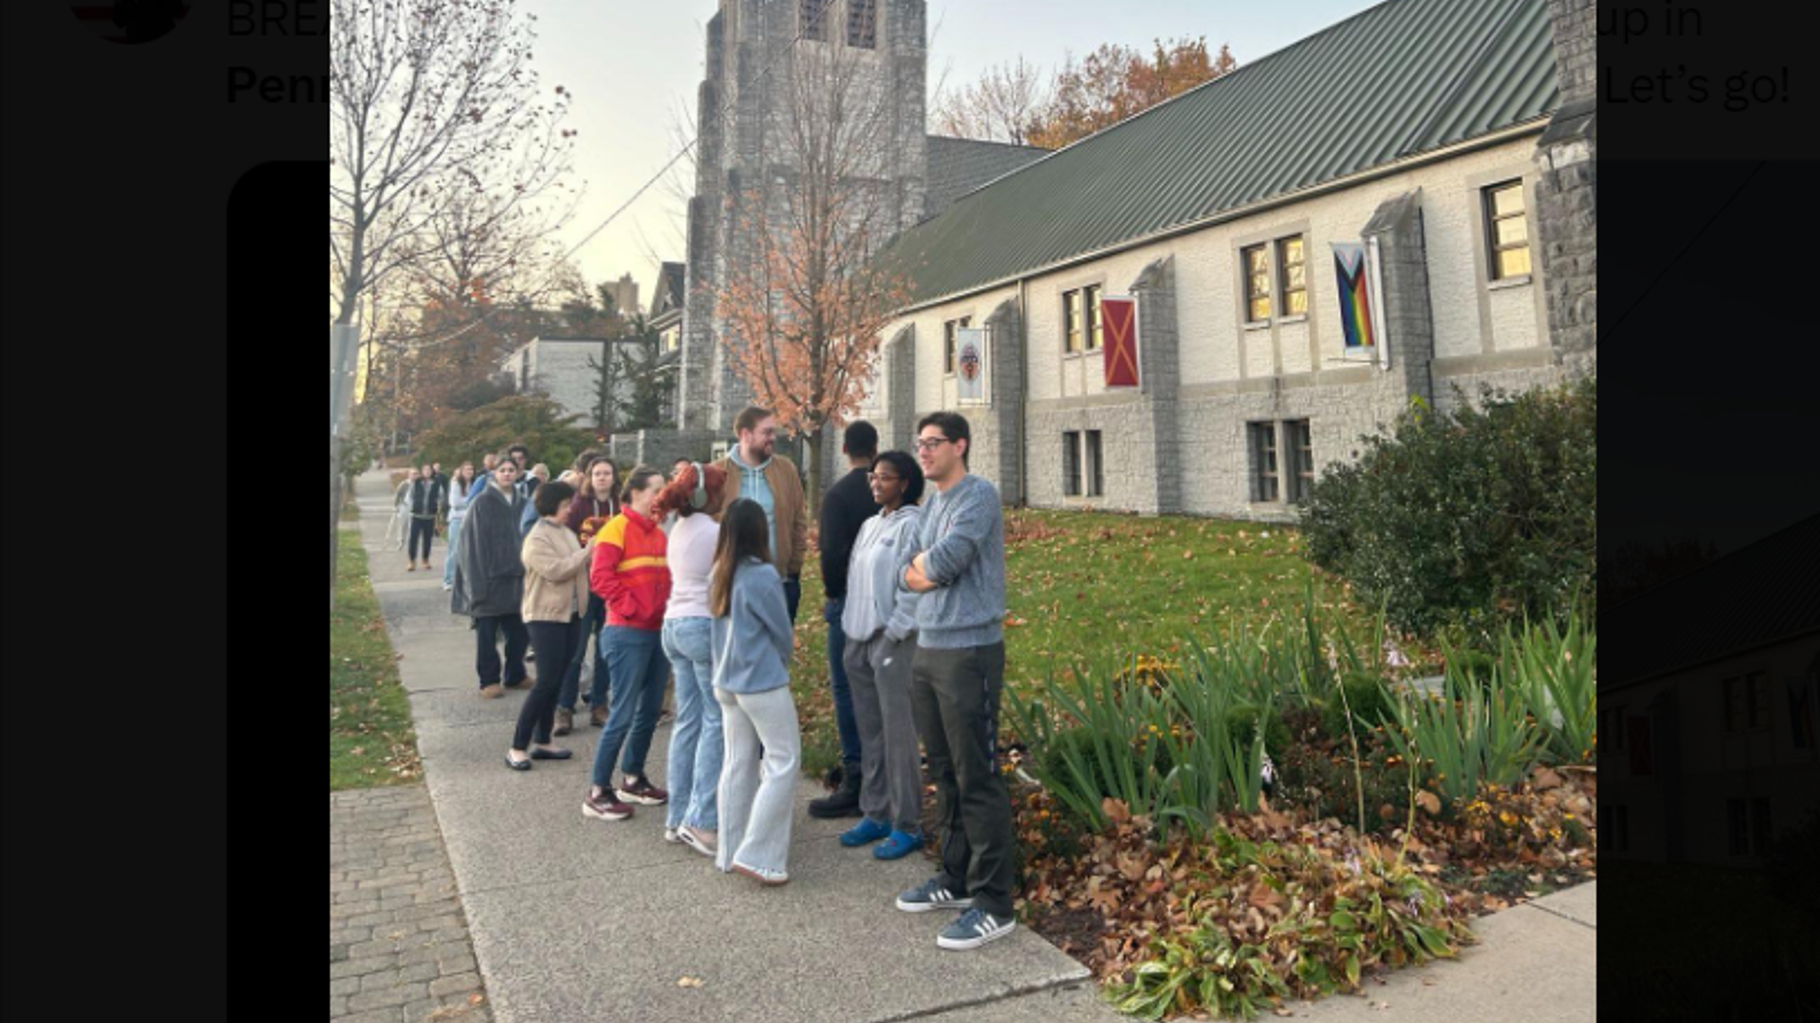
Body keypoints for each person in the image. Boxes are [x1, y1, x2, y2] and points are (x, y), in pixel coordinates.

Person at [894, 412, 1017, 951]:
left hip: (969, 651)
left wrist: (926, 570)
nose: (923, 452)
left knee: (976, 774)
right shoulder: (929, 505)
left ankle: (994, 902)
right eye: (919, 444)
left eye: (933, 443)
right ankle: (957, 877)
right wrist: (924, 569)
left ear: (959, 445)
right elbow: (907, 568)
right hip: (928, 647)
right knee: (943, 770)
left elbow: (943, 563)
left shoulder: (977, 497)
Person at [836, 451, 927, 860]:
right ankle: (876, 812)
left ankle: (908, 822)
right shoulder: (871, 525)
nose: (875, 483)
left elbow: (917, 583)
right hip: (858, 639)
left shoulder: (915, 525)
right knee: (871, 732)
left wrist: (895, 632)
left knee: (898, 733)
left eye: (885, 477)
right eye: (873, 476)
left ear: (904, 483)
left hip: (892, 641)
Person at [710, 499, 800, 886]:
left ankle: (729, 852)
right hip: (760, 680)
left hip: (726, 681)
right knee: (783, 761)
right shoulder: (761, 575)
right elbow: (782, 631)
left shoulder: (720, 571)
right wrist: (784, 660)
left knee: (737, 762)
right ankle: (759, 854)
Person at [582, 466, 673, 822]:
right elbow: (600, 578)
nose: (661, 497)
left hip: (655, 632)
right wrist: (634, 609)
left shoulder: (659, 533)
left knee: (650, 709)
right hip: (627, 632)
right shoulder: (614, 530)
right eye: (656, 490)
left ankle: (632, 778)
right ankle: (597, 791)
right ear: (635, 493)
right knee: (621, 712)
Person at [652, 462, 729, 856]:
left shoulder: (677, 528)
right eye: (720, 491)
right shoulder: (715, 532)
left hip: (674, 625)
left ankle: (677, 816)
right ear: (706, 496)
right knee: (715, 721)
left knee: (688, 722)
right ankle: (701, 821)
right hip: (701, 626)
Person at [808, 421, 882, 819]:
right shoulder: (889, 490)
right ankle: (879, 769)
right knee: (880, 687)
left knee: (847, 688)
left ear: (844, 450)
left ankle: (857, 774)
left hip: (849, 600)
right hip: (887, 600)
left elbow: (831, 554)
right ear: (874, 447)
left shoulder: (838, 495)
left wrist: (833, 593)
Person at [505, 481, 594, 771]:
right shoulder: (537, 537)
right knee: (545, 682)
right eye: (567, 504)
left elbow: (577, 567)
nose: (570, 509)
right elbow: (556, 571)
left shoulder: (566, 532)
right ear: (553, 504)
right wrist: (587, 552)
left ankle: (543, 741)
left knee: (557, 678)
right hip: (544, 616)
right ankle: (517, 746)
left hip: (570, 615)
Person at [709, 407, 808, 623]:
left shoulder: (786, 470)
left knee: (777, 653)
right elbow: (708, 524)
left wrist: (793, 568)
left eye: (773, 432)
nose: (773, 438)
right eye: (767, 432)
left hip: (779, 582)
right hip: (731, 584)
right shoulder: (718, 473)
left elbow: (799, 520)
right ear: (746, 434)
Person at [451, 453, 533, 698]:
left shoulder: (523, 502)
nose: (507, 473)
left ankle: (515, 675)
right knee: (487, 636)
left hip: (517, 580)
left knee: (519, 634)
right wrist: (475, 584)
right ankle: (488, 680)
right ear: (494, 474)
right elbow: (471, 546)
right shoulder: (482, 503)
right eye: (502, 470)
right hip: (488, 580)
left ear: (517, 473)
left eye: (511, 469)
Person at [556, 456, 620, 734]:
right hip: (584, 586)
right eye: (597, 473)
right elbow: (566, 542)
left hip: (612, 588)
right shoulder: (578, 507)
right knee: (576, 650)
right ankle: (564, 708)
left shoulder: (621, 507)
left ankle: (599, 705)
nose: (602, 478)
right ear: (589, 478)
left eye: (607, 473)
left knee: (606, 650)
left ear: (614, 478)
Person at [442, 462, 478, 591]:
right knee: (454, 550)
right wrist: (470, 501)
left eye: (472, 469)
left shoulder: (474, 484)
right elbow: (454, 503)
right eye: (467, 469)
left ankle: (465, 579)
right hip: (457, 520)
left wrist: (470, 502)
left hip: (470, 520)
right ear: (461, 471)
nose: (470, 471)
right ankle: (448, 579)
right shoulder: (456, 483)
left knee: (469, 551)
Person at [406, 464, 446, 572]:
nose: (427, 472)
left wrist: (438, 505)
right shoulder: (416, 482)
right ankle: (412, 561)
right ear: (422, 472)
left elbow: (441, 497)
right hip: (416, 515)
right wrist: (412, 507)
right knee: (413, 539)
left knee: (427, 539)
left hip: (430, 516)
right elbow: (409, 497)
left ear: (432, 472)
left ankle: (425, 559)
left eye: (429, 470)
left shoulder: (437, 484)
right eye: (425, 470)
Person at [386, 472, 412, 551]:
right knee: (402, 525)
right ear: (409, 475)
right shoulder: (404, 484)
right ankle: (401, 541)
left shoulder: (419, 484)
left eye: (416, 474)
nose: (415, 475)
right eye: (413, 474)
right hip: (404, 506)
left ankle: (411, 542)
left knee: (412, 526)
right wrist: (395, 506)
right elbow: (398, 495)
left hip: (414, 508)